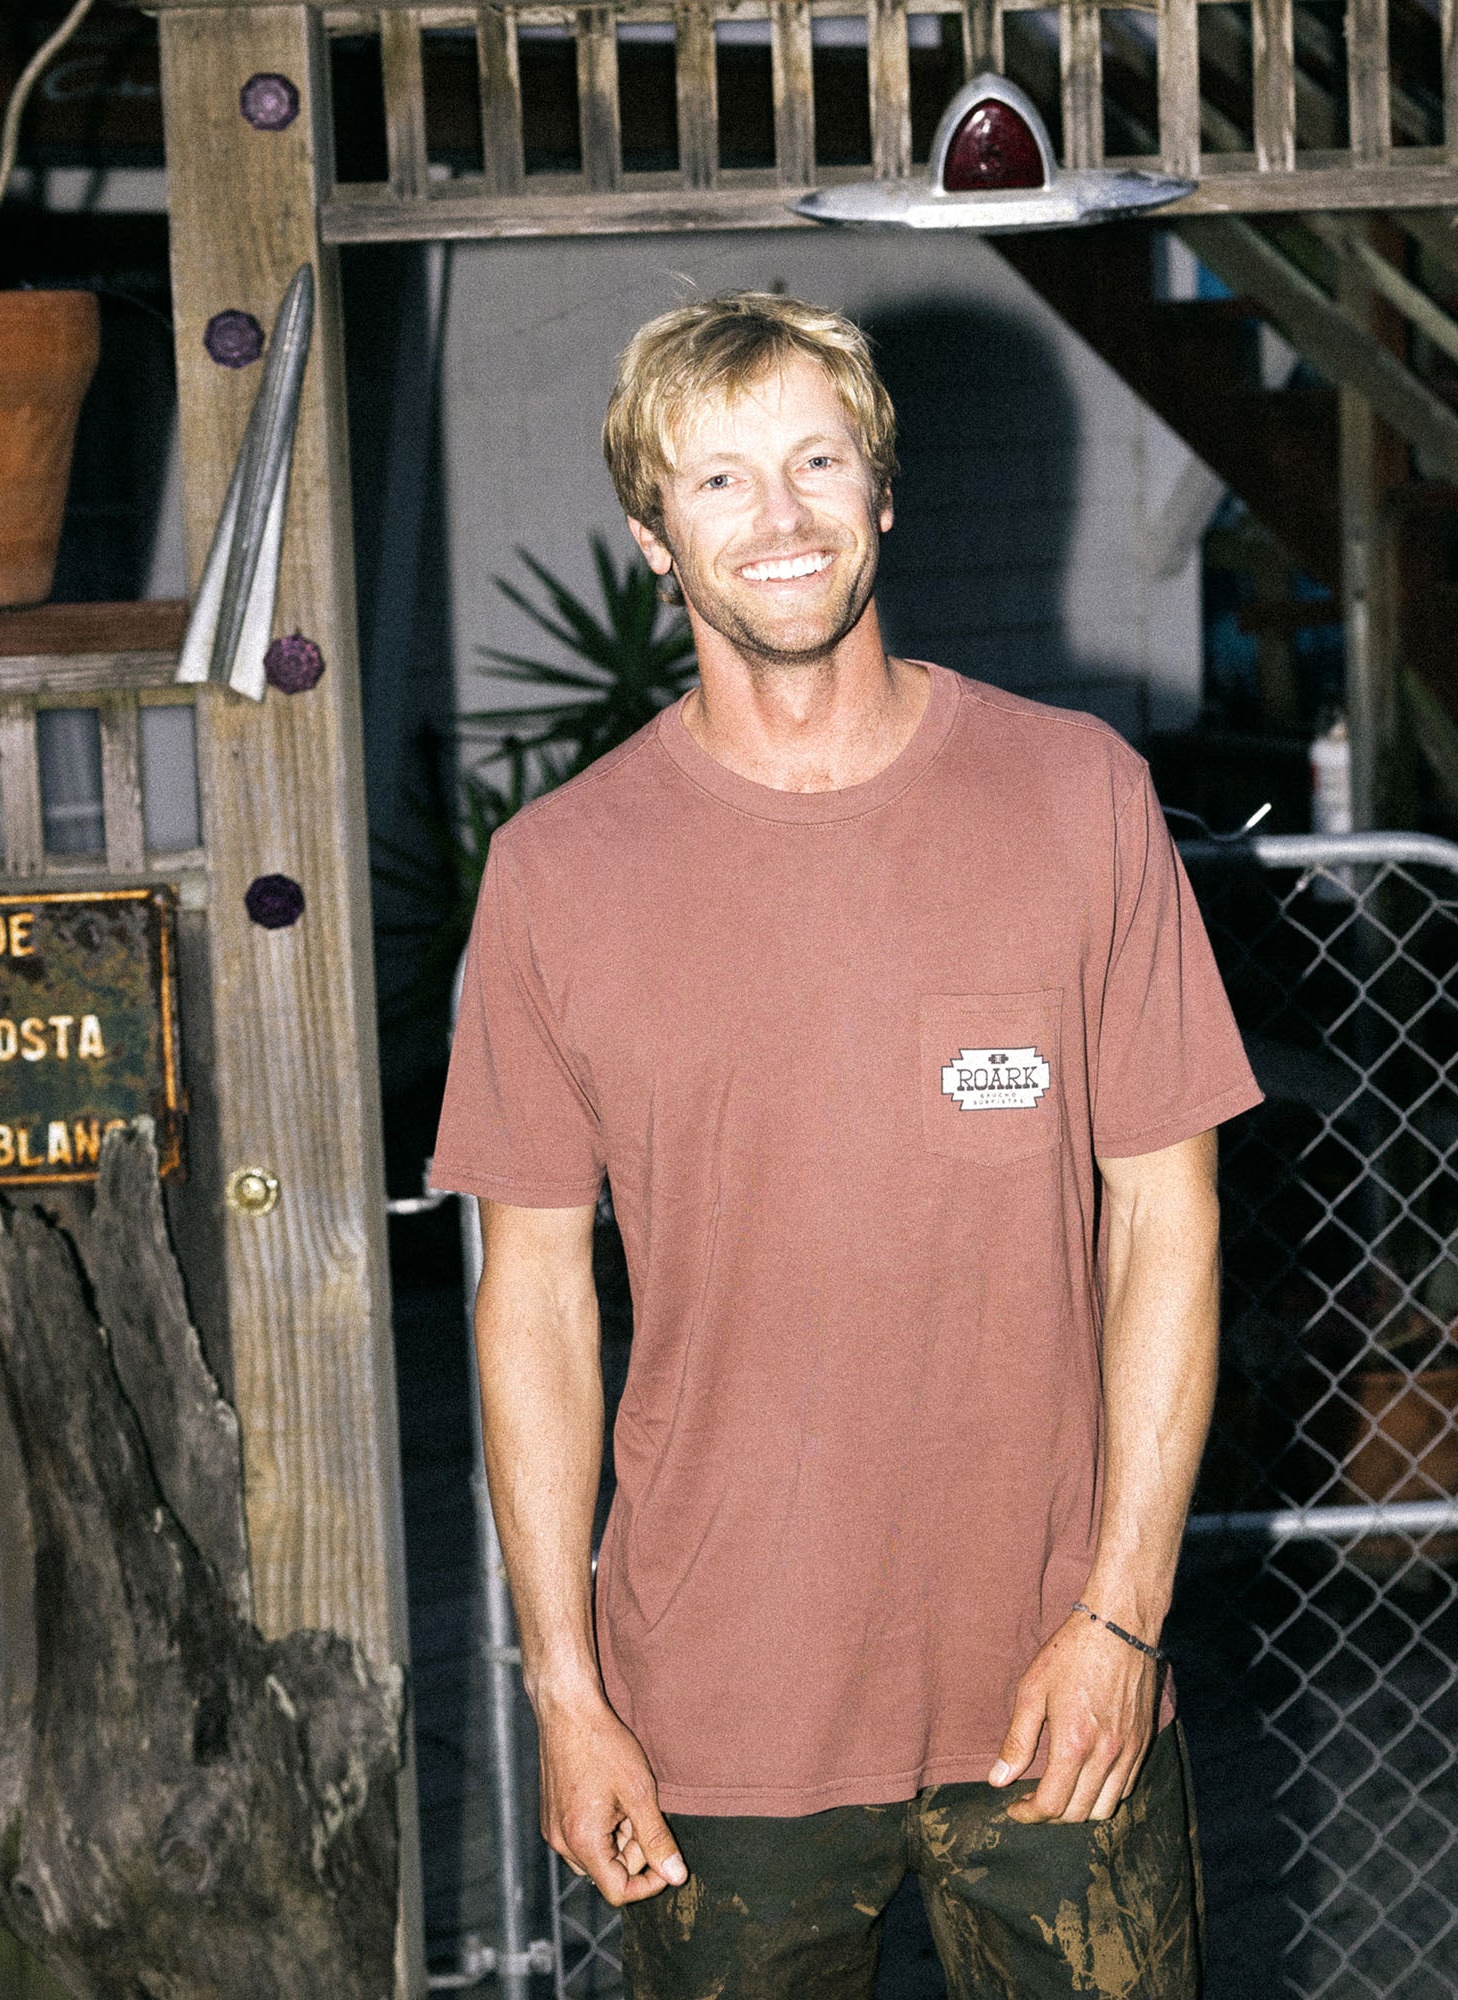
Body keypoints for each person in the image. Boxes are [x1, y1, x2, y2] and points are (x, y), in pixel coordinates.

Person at [430, 291, 1262, 1999]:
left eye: (817, 460)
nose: (781, 517)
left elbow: (1166, 1218)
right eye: (718, 481)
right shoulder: (558, 872)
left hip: (1058, 1684)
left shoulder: (1076, 794)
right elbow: (530, 1303)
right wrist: (566, 1693)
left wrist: (1122, 1619)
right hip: (709, 1716)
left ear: (884, 492)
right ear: (651, 537)